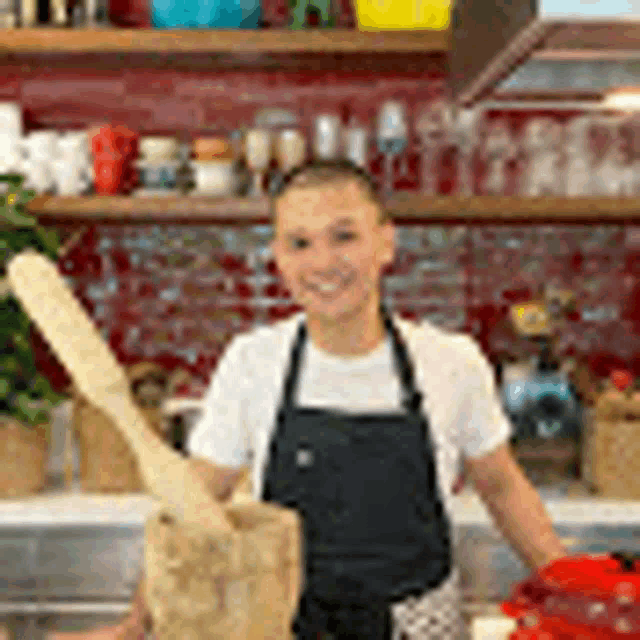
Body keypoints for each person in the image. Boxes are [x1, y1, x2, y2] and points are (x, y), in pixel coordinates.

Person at [95, 160, 568, 639]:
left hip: (420, 628)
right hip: (288, 626)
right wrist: (136, 625)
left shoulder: (451, 362)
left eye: (344, 236)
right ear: (278, 255)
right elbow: (192, 507)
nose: (322, 263)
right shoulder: (252, 362)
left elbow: (503, 488)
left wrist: (579, 602)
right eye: (300, 243)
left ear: (386, 242)